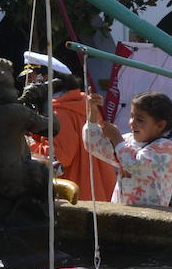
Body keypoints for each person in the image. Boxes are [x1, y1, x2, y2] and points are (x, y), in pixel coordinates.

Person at [25, 62, 116, 203]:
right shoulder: (83, 103)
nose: (28, 86)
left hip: (77, 196)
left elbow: (59, 158)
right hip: (96, 192)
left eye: (31, 79)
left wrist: (27, 144)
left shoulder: (58, 113)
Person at [82, 90, 172, 206]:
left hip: (150, 218)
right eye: (132, 117)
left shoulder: (165, 148)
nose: (132, 123)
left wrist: (116, 138)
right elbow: (94, 145)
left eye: (140, 120)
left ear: (160, 125)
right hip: (121, 213)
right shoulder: (127, 141)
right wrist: (93, 113)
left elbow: (137, 166)